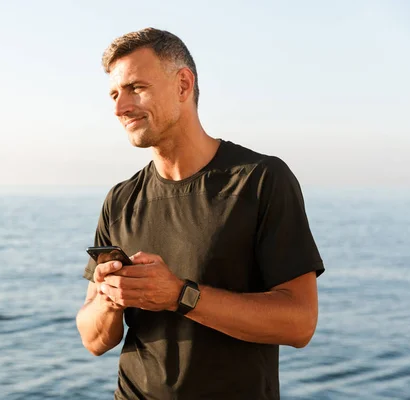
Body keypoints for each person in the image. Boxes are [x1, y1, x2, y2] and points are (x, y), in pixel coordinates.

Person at [75, 27, 325, 400]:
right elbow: (93, 339)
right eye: (114, 93)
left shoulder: (260, 181)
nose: (119, 107)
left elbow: (300, 323)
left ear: (183, 85)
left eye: (135, 88)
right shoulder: (120, 200)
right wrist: (111, 299)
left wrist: (179, 295)